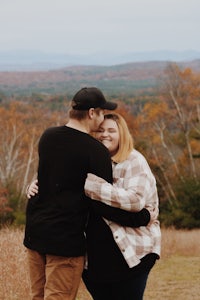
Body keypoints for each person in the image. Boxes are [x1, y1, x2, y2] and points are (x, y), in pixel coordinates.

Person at [24, 88, 151, 300]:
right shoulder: (95, 151)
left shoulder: (48, 137)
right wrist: (143, 217)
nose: (101, 121)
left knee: (37, 296)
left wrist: (32, 185)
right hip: (64, 241)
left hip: (35, 234)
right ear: (92, 113)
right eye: (101, 113)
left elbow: (49, 181)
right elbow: (101, 204)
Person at [82, 113, 161, 300]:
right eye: (100, 130)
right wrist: (35, 184)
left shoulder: (134, 160)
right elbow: (60, 174)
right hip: (95, 259)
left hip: (132, 254)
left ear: (122, 134)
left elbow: (134, 201)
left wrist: (90, 186)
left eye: (111, 130)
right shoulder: (89, 160)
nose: (105, 135)